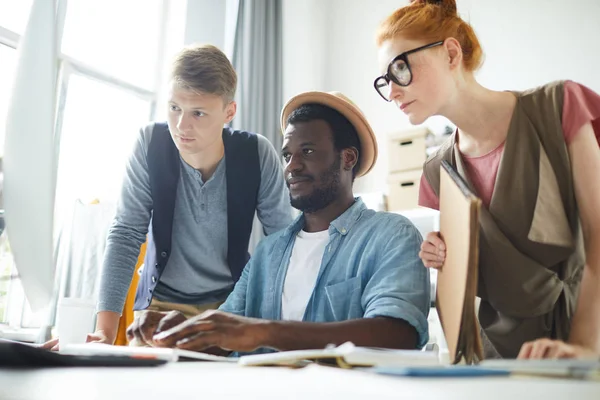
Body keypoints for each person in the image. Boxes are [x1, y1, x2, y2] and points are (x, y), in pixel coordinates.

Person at [373, 0, 600, 359]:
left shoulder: (559, 107)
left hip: (584, 340)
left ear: (450, 53)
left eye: (400, 68)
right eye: (385, 81)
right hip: (496, 359)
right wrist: (444, 256)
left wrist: (585, 348)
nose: (393, 91)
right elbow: (464, 291)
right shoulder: (438, 170)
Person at [126, 91, 431, 354]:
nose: (292, 166)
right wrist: (179, 332)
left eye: (307, 151)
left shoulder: (391, 235)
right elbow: (225, 335)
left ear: (347, 158)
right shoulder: (268, 252)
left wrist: (265, 332)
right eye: (287, 155)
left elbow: (398, 333)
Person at [44, 44, 292, 349]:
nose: (181, 126)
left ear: (229, 112)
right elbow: (126, 233)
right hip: (157, 309)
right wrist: (105, 333)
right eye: (174, 108)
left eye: (198, 113)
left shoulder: (257, 153)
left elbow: (281, 243)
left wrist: (273, 327)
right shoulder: (150, 143)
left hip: (229, 308)